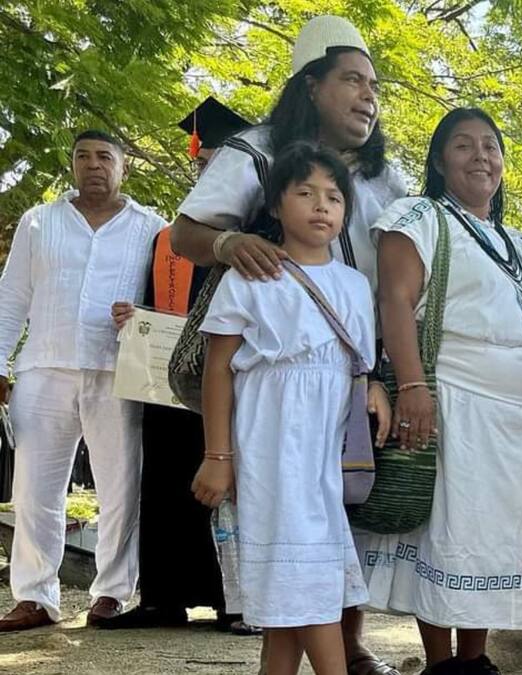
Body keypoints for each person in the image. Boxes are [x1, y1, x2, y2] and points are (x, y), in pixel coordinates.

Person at [169, 16, 403, 674]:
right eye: (352, 80)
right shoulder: (257, 151)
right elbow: (186, 232)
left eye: (374, 86)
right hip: (269, 395)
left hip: (345, 382)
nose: (368, 96)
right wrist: (229, 243)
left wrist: (379, 374)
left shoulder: (384, 175)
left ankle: (350, 644)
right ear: (311, 85)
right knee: (295, 545)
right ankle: (338, 655)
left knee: (339, 518)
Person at [363, 108, 522, 675]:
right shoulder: (421, 217)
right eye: (464, 145)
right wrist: (413, 384)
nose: (481, 156)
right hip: (454, 399)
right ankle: (442, 662)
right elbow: (395, 300)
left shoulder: (521, 245)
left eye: (490, 146)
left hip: (519, 417)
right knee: (449, 534)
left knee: (492, 541)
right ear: (440, 160)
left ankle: (475, 659)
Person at [191, 141, 383, 675]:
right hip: (272, 442)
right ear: (276, 205)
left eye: (333, 197)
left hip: (324, 451)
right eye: (305, 193)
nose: (322, 206)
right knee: (307, 582)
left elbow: (356, 362)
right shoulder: (249, 277)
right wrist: (218, 456)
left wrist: (375, 389)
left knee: (291, 588)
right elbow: (218, 369)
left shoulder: (354, 284)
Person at [0, 130, 167, 632]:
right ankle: (35, 596)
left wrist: (140, 314)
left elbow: (167, 300)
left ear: (124, 167)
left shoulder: (153, 228)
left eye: (104, 157)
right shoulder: (39, 220)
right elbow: (12, 296)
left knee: (120, 486)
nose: (93, 165)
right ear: (72, 164)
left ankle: (112, 592)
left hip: (118, 371)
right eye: (83, 156)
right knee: (34, 488)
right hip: (44, 366)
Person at [100, 97, 255, 633]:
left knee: (227, 483)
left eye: (217, 165)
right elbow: (157, 302)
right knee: (166, 479)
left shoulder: (255, 234)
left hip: (230, 378)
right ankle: (162, 598)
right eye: (201, 164)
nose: (205, 172)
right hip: (167, 380)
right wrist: (134, 317)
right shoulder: (170, 237)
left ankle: (234, 601)